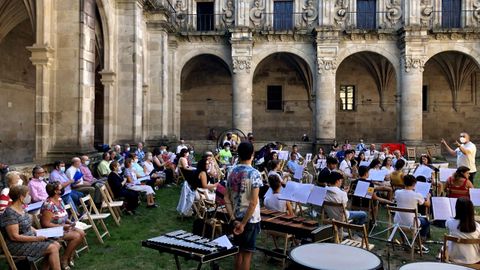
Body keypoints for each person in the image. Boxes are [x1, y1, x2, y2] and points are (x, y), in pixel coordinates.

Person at [0, 185, 61, 270]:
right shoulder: (10, 213)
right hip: (16, 245)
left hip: (29, 239)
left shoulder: (22, 208)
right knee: (53, 248)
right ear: (21, 197)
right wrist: (36, 238)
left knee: (56, 244)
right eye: (28, 194)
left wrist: (38, 232)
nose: (29, 197)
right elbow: (14, 236)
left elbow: (28, 226)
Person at [224, 142, 262, 270]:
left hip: (236, 217)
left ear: (238, 154)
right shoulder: (255, 173)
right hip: (249, 220)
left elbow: (226, 198)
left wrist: (233, 219)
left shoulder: (231, 171)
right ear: (252, 154)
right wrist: (243, 224)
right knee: (247, 254)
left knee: (238, 252)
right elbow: (253, 202)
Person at [40, 182, 86, 269]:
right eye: (60, 188)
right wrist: (62, 227)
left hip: (63, 227)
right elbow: (45, 224)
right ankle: (64, 259)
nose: (63, 189)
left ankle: (69, 256)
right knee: (76, 236)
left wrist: (70, 223)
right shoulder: (48, 205)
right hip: (51, 231)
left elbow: (62, 216)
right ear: (55, 191)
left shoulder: (60, 200)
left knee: (82, 233)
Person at [394, 175, 430, 252]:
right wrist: (428, 197)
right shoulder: (417, 195)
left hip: (398, 221)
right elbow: (427, 204)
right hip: (412, 223)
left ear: (404, 182)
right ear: (414, 184)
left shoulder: (397, 192)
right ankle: (420, 242)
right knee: (426, 221)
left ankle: (404, 242)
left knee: (404, 218)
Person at [445, 198, 480, 264]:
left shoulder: (449, 222)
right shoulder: (478, 227)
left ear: (457, 209)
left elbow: (448, 224)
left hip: (453, 259)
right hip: (474, 260)